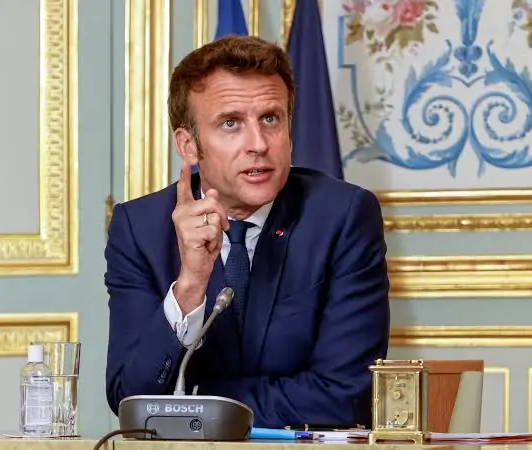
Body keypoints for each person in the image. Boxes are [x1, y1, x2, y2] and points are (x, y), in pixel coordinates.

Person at [104, 35, 390, 429]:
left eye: (271, 119)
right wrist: (190, 286)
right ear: (189, 146)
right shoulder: (140, 229)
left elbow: (346, 396)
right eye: (231, 123)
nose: (258, 144)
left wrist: (196, 402)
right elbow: (131, 399)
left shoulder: (341, 217)